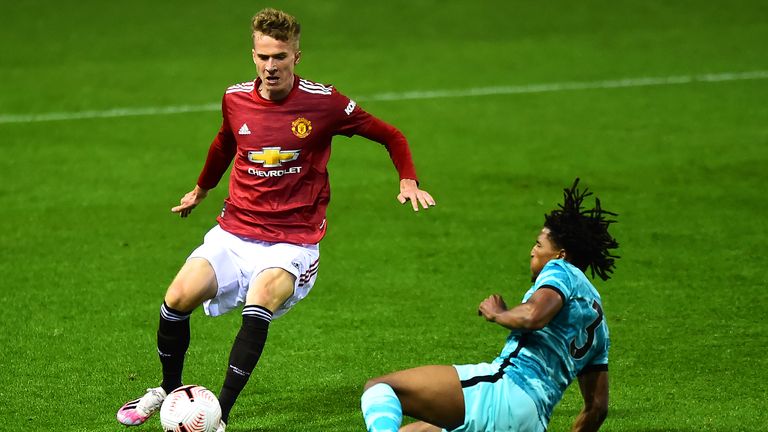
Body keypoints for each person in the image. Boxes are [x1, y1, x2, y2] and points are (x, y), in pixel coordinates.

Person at [116, 8, 435, 432]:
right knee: (177, 297)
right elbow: (223, 143)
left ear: (296, 57)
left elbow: (391, 135)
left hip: (293, 240)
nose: (271, 66)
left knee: (259, 301)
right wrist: (202, 188)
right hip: (235, 232)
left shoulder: (325, 103)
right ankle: (169, 391)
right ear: (253, 55)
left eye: (280, 56)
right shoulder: (234, 98)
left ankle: (220, 416)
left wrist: (408, 179)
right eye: (264, 56)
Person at [360, 179, 618, 432]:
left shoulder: (562, 270)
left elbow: (534, 316)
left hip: (505, 390)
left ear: (561, 254)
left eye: (539, 245)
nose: (532, 251)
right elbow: (597, 408)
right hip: (533, 421)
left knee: (381, 388)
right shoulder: (600, 327)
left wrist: (498, 313)